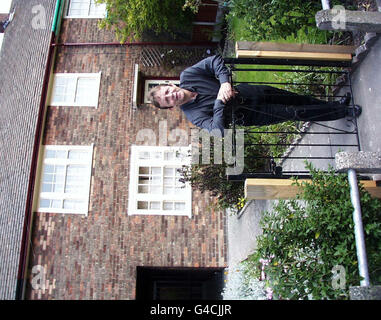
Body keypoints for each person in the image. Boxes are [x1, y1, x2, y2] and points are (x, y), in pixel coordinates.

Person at [148, 54, 361, 137]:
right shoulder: (192, 114)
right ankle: (343, 111)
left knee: (296, 99)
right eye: (167, 100)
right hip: (252, 114)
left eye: (167, 91)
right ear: (170, 107)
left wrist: (224, 82)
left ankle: (335, 105)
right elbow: (217, 130)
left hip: (251, 91)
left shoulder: (189, 75)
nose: (171, 95)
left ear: (169, 84)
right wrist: (220, 102)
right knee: (297, 112)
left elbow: (214, 61)